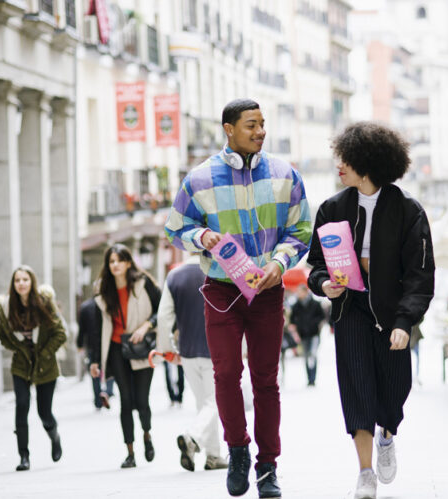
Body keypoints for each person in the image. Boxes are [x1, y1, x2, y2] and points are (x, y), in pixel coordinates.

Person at [165, 98, 312, 498]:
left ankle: (268, 466)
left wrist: (279, 265)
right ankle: (237, 450)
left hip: (267, 290)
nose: (260, 131)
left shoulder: (286, 175)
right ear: (228, 129)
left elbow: (301, 229)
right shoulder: (199, 179)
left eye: (263, 124)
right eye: (251, 125)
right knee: (226, 375)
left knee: (267, 381)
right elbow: (175, 227)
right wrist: (202, 236)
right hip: (220, 291)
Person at [306, 122, 435, 499]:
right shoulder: (332, 208)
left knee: (395, 389)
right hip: (351, 312)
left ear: (367, 164)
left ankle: (388, 434)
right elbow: (316, 264)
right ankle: (365, 473)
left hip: (393, 312)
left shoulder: (408, 209)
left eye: (344, 160)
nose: (338, 167)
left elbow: (420, 273)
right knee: (357, 389)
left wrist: (405, 321)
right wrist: (323, 285)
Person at [89, 244, 161, 469]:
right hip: (116, 350)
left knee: (141, 400)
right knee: (126, 401)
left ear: (128, 262)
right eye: (111, 261)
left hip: (141, 348)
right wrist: (94, 359)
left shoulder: (143, 283)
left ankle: (147, 435)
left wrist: (145, 326)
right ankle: (130, 452)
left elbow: (162, 309)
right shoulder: (103, 291)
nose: (115, 265)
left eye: (119, 260)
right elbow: (97, 327)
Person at [156, 256, 229, 472]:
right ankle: (193, 437)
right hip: (216, 348)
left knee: (204, 403)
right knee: (215, 402)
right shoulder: (219, 270)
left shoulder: (174, 276)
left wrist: (167, 349)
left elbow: (163, 317)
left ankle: (213, 455)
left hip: (187, 352)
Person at [0, 265, 67, 472]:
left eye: (25, 280)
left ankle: (55, 437)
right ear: (13, 284)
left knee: (44, 412)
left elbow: (60, 333)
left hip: (46, 366)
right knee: (22, 406)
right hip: (21, 365)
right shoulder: (7, 308)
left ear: (31, 282)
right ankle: (24, 456)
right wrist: (19, 348)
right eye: (17, 280)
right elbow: (3, 337)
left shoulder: (43, 303)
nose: (21, 284)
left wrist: (43, 353)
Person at [77, 297, 114, 410]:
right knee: (110, 367)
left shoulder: (85, 306)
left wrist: (80, 344)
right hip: (109, 342)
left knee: (95, 370)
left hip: (92, 344)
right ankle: (108, 391)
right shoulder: (109, 303)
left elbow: (81, 329)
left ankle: (98, 400)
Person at [288, 284, 325, 386]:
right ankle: (309, 378)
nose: (298, 294)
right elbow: (292, 320)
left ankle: (313, 378)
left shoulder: (315, 304)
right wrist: (295, 328)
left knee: (313, 354)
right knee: (305, 356)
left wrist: (316, 324)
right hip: (302, 335)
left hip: (314, 334)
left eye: (300, 291)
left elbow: (322, 316)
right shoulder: (295, 306)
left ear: (305, 292)